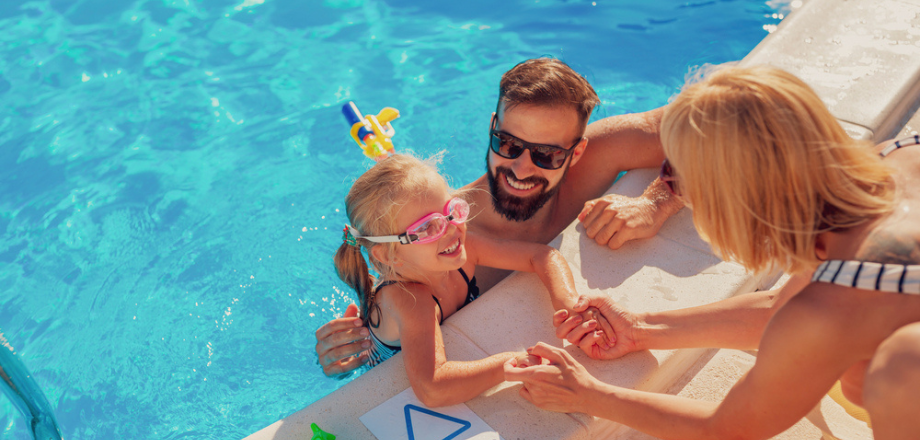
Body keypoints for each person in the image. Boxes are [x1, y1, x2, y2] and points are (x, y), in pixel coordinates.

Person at [504, 65, 920, 439]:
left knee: (881, 377)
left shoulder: (829, 312)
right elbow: (788, 304)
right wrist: (641, 329)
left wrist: (588, 394)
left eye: (677, 178)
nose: (674, 189)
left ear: (735, 198)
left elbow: (728, 427)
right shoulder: (900, 155)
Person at [316, 57, 685, 376]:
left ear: (576, 151)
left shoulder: (600, 155)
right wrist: (349, 353)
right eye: (508, 144)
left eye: (547, 155)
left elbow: (724, 118)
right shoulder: (447, 234)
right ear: (493, 127)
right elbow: (387, 330)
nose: (521, 169)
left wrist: (660, 200)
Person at [333, 154, 610, 407]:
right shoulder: (409, 299)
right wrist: (508, 363)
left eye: (451, 211)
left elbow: (541, 256)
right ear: (389, 255)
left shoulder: (462, 250)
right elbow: (432, 389)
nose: (451, 230)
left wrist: (567, 302)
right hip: (371, 380)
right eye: (427, 227)